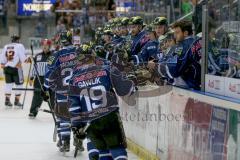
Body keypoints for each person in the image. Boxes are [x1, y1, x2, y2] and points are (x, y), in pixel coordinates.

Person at [68, 45, 136, 160]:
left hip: (90, 121)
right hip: (109, 117)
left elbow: (74, 107)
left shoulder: (74, 79)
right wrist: (132, 81)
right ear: (93, 56)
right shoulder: (106, 69)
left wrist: (76, 126)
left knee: (103, 151)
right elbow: (125, 90)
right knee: (116, 148)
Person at [44, 30, 83, 152]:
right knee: (78, 116)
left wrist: (45, 88)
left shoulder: (56, 55)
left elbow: (49, 73)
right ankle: (79, 141)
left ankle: (65, 142)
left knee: (64, 117)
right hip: (78, 92)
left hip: (62, 92)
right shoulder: (79, 51)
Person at [157, 20, 202, 90]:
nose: (175, 36)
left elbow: (174, 71)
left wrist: (158, 67)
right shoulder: (196, 41)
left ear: (186, 33)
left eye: (177, 32)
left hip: (188, 86)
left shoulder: (183, 46)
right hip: (198, 84)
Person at [28, 39, 55, 118]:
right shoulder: (38, 56)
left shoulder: (54, 55)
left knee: (53, 96)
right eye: (43, 45)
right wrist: (31, 77)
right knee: (37, 95)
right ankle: (33, 112)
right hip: (39, 79)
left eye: (46, 45)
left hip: (51, 78)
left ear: (49, 46)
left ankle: (56, 112)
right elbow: (35, 68)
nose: (44, 47)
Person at [0, 35, 29, 107]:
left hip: (7, 68)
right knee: (19, 84)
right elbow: (23, 59)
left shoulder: (6, 46)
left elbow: (2, 59)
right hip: (16, 68)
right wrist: (29, 59)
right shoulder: (20, 45)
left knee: (8, 84)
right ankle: (17, 101)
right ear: (18, 40)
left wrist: (4, 64)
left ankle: (7, 101)